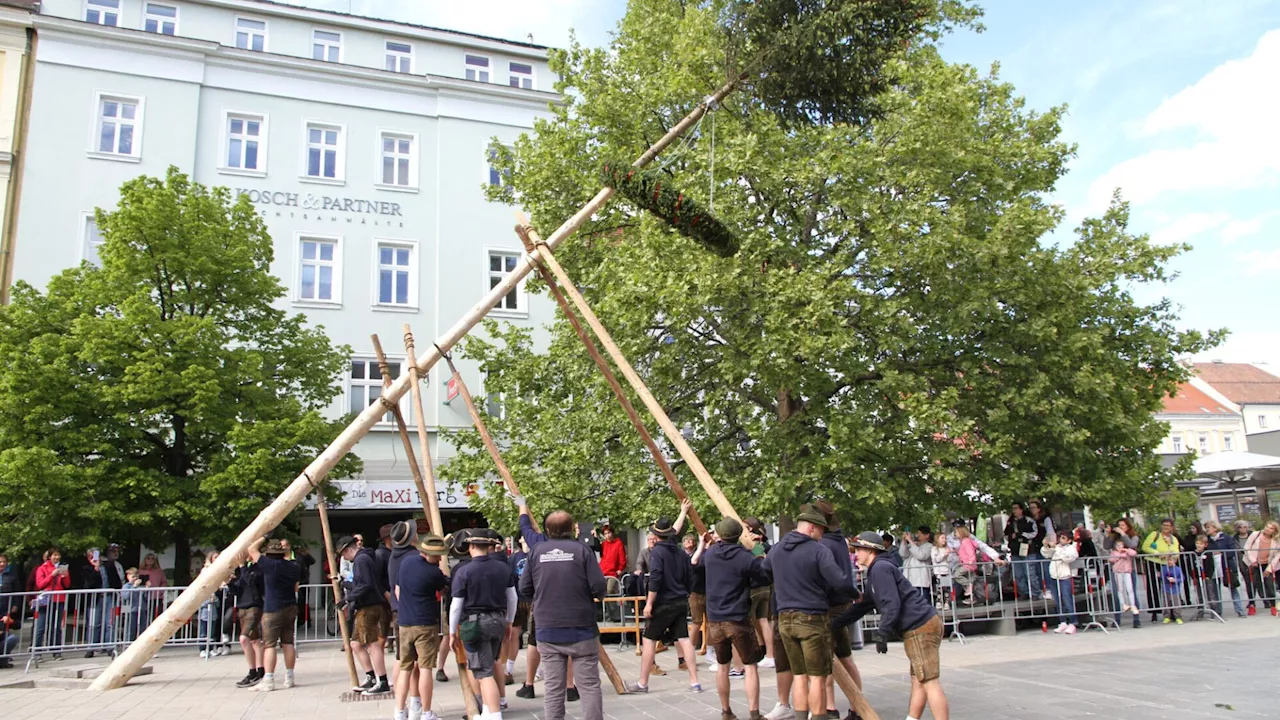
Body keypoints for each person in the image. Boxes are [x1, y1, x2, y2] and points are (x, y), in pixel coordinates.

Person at [835, 532, 949, 720]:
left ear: (870, 550)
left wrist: (882, 633)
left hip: (919, 627)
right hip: (922, 624)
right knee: (919, 679)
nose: (856, 554)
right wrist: (836, 624)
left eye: (859, 549)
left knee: (929, 681)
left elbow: (891, 604)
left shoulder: (880, 569)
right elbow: (865, 605)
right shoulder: (877, 570)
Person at [763, 505, 851, 720]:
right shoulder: (819, 550)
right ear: (812, 528)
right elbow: (839, 581)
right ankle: (819, 716)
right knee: (818, 677)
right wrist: (855, 594)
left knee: (800, 676)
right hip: (812, 619)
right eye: (820, 530)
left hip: (784, 619)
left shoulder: (777, 549)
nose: (822, 535)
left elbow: (763, 571)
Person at [519, 507, 606, 720]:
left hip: (548, 628)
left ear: (547, 529)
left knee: (553, 688)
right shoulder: (583, 551)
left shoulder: (536, 552)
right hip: (582, 627)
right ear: (571, 528)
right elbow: (599, 587)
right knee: (589, 686)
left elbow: (524, 589)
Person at [697, 517, 767, 720]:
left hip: (715, 620)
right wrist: (757, 550)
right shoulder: (744, 557)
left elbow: (698, 563)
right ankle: (754, 713)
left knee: (723, 666)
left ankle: (726, 711)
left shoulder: (710, 555)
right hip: (738, 619)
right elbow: (763, 575)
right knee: (750, 666)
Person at [629, 500, 700, 693]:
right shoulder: (679, 552)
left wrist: (649, 604)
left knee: (649, 639)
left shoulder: (658, 553)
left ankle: (643, 683)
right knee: (684, 639)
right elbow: (689, 576)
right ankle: (694, 682)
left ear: (656, 535)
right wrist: (683, 512)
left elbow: (656, 579)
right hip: (680, 600)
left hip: (662, 602)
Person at [450, 528, 518, 720]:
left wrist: (452, 633)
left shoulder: (464, 571)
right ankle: (488, 710)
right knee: (491, 663)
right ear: (489, 547)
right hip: (498, 619)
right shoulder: (503, 568)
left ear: (471, 546)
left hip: (475, 624)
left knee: (484, 673)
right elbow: (512, 598)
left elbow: (456, 606)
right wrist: (509, 622)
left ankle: (494, 714)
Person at [813, 500, 862, 720]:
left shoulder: (825, 545)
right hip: (841, 604)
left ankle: (833, 707)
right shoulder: (838, 541)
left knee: (831, 660)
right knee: (844, 657)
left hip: (831, 606)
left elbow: (831, 578)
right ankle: (855, 706)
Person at [394, 534, 450, 720]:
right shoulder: (433, 573)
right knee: (425, 668)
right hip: (425, 623)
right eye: (438, 555)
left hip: (405, 622)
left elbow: (398, 588)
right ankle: (426, 712)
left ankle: (400, 711)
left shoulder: (406, 563)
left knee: (405, 668)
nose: (440, 558)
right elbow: (443, 589)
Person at [337, 533, 392, 695]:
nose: (344, 558)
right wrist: (344, 583)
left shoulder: (361, 560)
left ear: (348, 550)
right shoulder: (365, 558)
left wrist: (348, 599)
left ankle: (381, 680)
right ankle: (371, 677)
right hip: (367, 605)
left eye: (343, 554)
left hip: (368, 606)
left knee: (372, 644)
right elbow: (361, 582)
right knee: (356, 643)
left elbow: (365, 585)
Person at [248, 537, 301, 692]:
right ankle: (289, 677)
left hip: (273, 608)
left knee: (270, 645)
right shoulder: (294, 566)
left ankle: (269, 679)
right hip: (290, 605)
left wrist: (263, 536)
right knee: (288, 642)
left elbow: (252, 549)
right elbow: (296, 587)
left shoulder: (268, 564)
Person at [741, 516, 776, 669]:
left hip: (755, 586)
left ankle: (763, 653)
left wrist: (754, 544)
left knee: (753, 620)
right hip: (765, 585)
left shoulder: (755, 545)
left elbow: (761, 558)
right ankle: (766, 652)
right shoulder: (763, 544)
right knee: (762, 620)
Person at [230, 555, 265, 687]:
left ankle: (253, 672)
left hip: (254, 607)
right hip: (242, 607)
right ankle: (260, 670)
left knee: (244, 638)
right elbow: (238, 589)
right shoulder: (243, 570)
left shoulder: (259, 568)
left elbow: (251, 582)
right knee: (255, 640)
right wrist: (230, 583)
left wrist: (242, 566)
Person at [388, 521, 417, 664]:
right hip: (414, 612)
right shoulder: (414, 557)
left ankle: (400, 685)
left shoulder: (393, 556)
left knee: (402, 658)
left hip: (398, 610)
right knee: (417, 661)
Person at [1141, 519, 1181, 622]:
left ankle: (1171, 613)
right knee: (1153, 586)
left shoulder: (1173, 539)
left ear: (1171, 527)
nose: (1165, 527)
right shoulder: (1155, 535)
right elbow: (1145, 547)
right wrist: (1157, 553)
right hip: (1153, 562)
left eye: (1168, 525)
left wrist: (1169, 545)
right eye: (1164, 525)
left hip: (1166, 564)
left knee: (1169, 587)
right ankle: (1154, 612)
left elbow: (1176, 553)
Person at [33, 548, 70, 659]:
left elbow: (67, 585)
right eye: (54, 555)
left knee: (57, 627)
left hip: (58, 600)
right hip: (45, 600)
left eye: (58, 555)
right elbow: (40, 584)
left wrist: (65, 576)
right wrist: (52, 575)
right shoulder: (42, 568)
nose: (57, 557)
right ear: (50, 556)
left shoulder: (63, 567)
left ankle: (56, 652)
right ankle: (37, 653)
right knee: (41, 627)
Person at [1204, 521, 1246, 617]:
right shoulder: (1208, 541)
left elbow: (1232, 551)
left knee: (1233, 588)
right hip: (1214, 568)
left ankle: (1239, 610)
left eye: (1209, 527)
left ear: (1215, 528)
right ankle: (1218, 612)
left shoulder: (1226, 538)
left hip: (1227, 566)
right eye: (1206, 527)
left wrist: (1221, 553)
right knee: (1215, 591)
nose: (1207, 529)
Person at [1042, 531, 1079, 634]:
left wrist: (1057, 548)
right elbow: (1046, 554)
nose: (1060, 540)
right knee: (1058, 601)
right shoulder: (1057, 548)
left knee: (1067, 599)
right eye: (1060, 537)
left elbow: (1067, 558)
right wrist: (1046, 546)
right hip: (1054, 576)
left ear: (1069, 540)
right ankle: (1062, 622)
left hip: (1065, 577)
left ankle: (1072, 622)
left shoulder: (1071, 549)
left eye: (1063, 538)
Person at [1003, 502, 1040, 600]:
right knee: (1018, 574)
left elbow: (1034, 533)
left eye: (1016, 508)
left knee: (1030, 573)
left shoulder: (1028, 521)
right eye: (1013, 509)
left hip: (1027, 550)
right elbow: (1006, 535)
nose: (1014, 511)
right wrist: (1012, 536)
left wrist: (1021, 534)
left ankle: (1035, 593)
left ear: (1021, 509)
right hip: (1015, 551)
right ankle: (1024, 592)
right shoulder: (1010, 522)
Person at [1243, 520, 1280, 616]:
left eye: (1271, 528)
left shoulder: (1276, 540)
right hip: (1252, 563)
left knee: (1270, 585)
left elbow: (1277, 555)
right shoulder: (1256, 534)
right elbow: (1246, 548)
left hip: (1267, 564)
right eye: (1267, 526)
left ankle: (1273, 606)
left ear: (1274, 531)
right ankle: (1251, 605)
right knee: (1252, 584)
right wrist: (1253, 561)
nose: (1268, 529)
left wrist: (1270, 567)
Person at [1106, 532, 1139, 628]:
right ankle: (1123, 604)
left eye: (1121, 545)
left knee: (1130, 589)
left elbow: (1134, 553)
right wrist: (1119, 555)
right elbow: (1111, 559)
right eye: (1117, 545)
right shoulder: (1114, 553)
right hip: (1118, 572)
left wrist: (1126, 550)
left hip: (1127, 572)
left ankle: (1133, 605)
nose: (1119, 547)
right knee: (1120, 590)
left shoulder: (1127, 551)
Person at [686, 532, 707, 671]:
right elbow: (693, 561)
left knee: (711, 623)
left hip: (708, 591)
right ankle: (690, 654)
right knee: (696, 622)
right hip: (695, 591)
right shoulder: (692, 555)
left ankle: (711, 651)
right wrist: (701, 544)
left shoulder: (707, 553)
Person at [899, 528, 933, 603]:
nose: (918, 535)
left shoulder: (929, 546)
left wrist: (911, 541)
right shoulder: (913, 545)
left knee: (922, 603)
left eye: (920, 533)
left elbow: (921, 555)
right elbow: (903, 554)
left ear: (927, 535)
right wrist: (904, 541)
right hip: (909, 579)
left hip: (921, 580)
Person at [1028, 501, 1054, 597]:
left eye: (1034, 507)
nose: (1032, 510)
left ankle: (1049, 589)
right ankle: (1041, 589)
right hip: (1034, 547)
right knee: (1037, 570)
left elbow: (1050, 531)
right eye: (1030, 508)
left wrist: (1050, 542)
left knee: (1046, 569)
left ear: (1039, 509)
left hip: (1044, 547)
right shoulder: (1029, 520)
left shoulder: (1045, 519)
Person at [1193, 534, 1223, 619]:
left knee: (1211, 595)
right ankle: (1200, 611)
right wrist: (1193, 575)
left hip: (1207, 577)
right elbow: (1190, 565)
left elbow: (1211, 565)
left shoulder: (1208, 553)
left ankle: (1213, 611)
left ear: (1205, 545)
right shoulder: (1193, 553)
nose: (1198, 545)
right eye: (1197, 543)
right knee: (1199, 595)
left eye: (1201, 543)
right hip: (1197, 577)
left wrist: (1208, 575)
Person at [0, 553, 21, 668]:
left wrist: (16, 604)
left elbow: (17, 591)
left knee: (6, 631)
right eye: (0, 562)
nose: (2, 564)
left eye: (4, 561)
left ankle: (4, 657)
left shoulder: (11, 575)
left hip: (6, 606)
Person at [597, 524, 627, 596]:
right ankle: (606, 607)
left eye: (609, 533)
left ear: (612, 533)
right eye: (605, 534)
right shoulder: (603, 544)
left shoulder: (618, 543)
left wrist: (620, 568)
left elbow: (622, 558)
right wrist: (595, 537)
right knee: (602, 591)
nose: (608, 535)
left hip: (613, 572)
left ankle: (612, 607)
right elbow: (598, 549)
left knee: (610, 590)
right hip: (603, 571)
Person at [1234, 521, 1257, 612]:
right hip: (1242, 562)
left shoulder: (1253, 536)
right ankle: (1251, 601)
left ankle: (1266, 599)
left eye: (1245, 527)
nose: (1243, 529)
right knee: (1248, 582)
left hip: (1254, 560)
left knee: (1257, 581)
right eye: (1240, 527)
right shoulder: (1234, 538)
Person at [929, 535, 953, 610]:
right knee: (940, 587)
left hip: (946, 570)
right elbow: (936, 559)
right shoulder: (934, 549)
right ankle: (939, 602)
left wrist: (949, 555)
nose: (944, 540)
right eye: (942, 538)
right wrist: (944, 555)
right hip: (938, 571)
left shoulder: (947, 548)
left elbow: (950, 559)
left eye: (945, 538)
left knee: (946, 587)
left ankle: (946, 602)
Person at [1159, 554, 1184, 624]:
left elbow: (1182, 578)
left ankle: (1178, 617)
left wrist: (1175, 580)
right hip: (1166, 589)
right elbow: (1162, 577)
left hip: (1175, 589)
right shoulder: (1164, 568)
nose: (1169, 562)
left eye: (1170, 560)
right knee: (1166, 603)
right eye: (1168, 560)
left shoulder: (1178, 569)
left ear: (1175, 561)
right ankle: (1166, 617)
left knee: (1176, 604)